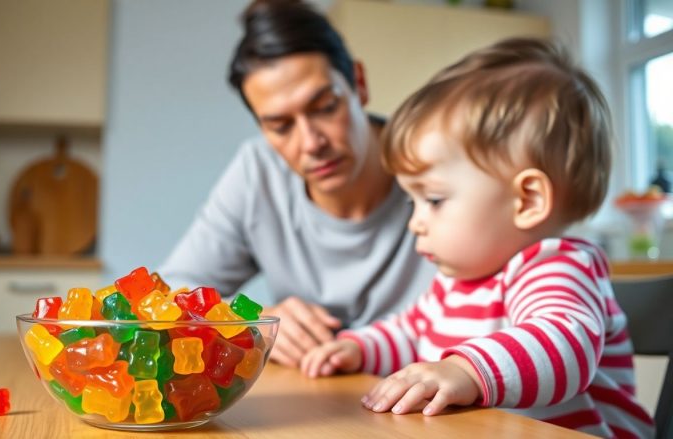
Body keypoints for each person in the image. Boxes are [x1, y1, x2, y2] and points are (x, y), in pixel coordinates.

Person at [300, 38, 655, 437]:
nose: (415, 222)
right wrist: (358, 349)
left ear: (528, 199)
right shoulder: (454, 284)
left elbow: (563, 345)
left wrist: (466, 369)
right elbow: (410, 331)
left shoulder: (558, 265)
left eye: (433, 199)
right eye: (412, 201)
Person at [158, 0, 435, 368]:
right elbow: (170, 294)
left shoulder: (435, 161)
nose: (311, 143)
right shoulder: (258, 172)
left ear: (360, 84)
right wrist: (254, 322)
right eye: (281, 126)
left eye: (325, 107)